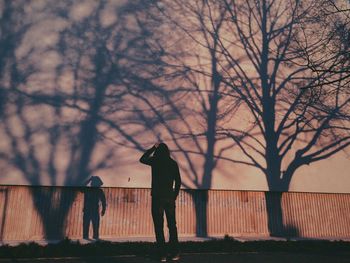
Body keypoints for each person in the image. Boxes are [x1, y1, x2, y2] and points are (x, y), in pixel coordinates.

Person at [140, 143, 181, 262]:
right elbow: (178, 181)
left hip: (157, 197)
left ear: (158, 151)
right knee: (172, 226)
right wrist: (175, 196)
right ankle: (175, 252)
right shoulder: (173, 163)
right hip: (169, 198)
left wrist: (153, 147)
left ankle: (162, 254)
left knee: (159, 226)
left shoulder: (155, 161)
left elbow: (142, 159)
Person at [82, 176, 107, 240]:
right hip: (92, 210)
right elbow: (103, 201)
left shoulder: (88, 190)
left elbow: (103, 201)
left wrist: (89, 179)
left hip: (90, 210)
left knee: (89, 226)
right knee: (92, 226)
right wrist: (103, 210)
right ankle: (91, 238)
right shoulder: (98, 191)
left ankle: (88, 238)